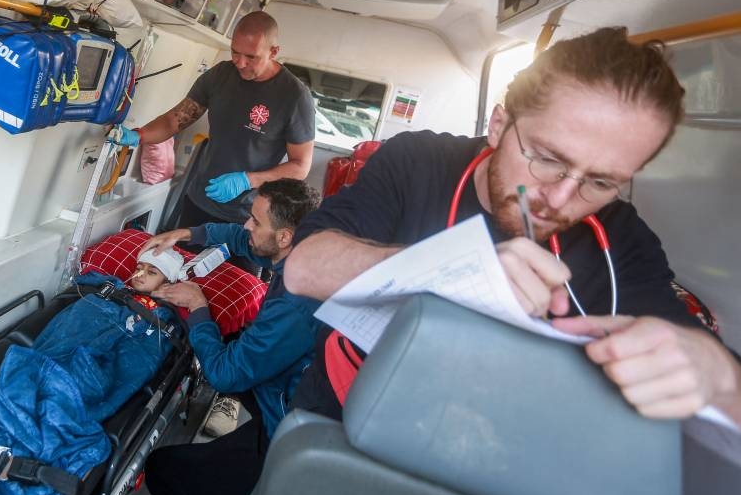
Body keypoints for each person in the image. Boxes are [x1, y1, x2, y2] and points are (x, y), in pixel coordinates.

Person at [284, 27, 741, 427]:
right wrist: (452, 270)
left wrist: (716, 375)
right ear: (499, 125)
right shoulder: (418, 161)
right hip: (335, 419)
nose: (560, 200)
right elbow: (303, 268)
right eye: (547, 159)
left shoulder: (619, 240)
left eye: (600, 182)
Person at [140, 178, 322, 495]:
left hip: (290, 435)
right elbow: (242, 240)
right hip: (288, 393)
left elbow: (225, 376)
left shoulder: (298, 301)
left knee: (162, 472)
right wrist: (186, 235)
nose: (246, 225)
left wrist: (198, 308)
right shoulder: (300, 253)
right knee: (235, 342)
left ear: (284, 237)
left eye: (255, 220)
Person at [0, 247, 186, 495]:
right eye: (139, 267)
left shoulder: (163, 320)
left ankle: (12, 452)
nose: (140, 274)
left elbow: (141, 359)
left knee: (71, 392)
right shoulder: (111, 287)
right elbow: (83, 284)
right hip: (62, 349)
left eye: (152, 272)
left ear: (168, 282)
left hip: (93, 369)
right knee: (33, 380)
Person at [108, 11, 316, 226]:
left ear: (273, 52)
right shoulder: (220, 76)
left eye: (251, 57)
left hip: (248, 217)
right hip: (199, 200)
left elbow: (300, 166)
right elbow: (175, 120)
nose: (240, 63)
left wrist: (247, 180)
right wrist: (138, 135)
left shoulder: (294, 97)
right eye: (235, 52)